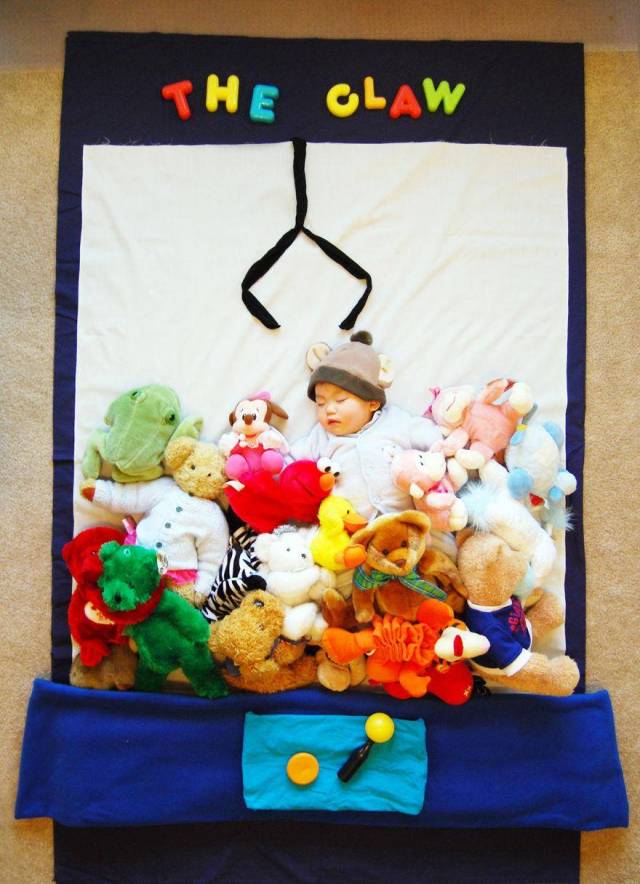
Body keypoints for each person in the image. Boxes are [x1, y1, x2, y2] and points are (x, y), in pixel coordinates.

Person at [290, 331, 442, 522]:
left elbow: (431, 437)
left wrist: (444, 448)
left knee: (436, 534)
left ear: (372, 403)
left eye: (340, 400)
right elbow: (291, 462)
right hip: (353, 529)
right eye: (320, 403)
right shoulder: (321, 437)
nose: (329, 409)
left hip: (405, 520)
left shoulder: (394, 421)